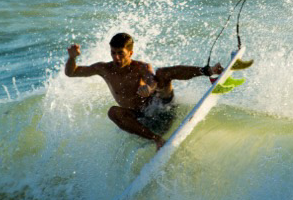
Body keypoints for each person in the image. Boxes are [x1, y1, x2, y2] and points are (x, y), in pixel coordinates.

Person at [65, 32, 224, 150]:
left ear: (130, 53)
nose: (116, 58)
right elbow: (71, 73)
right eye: (113, 53)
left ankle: (208, 71)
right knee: (113, 112)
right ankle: (156, 139)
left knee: (162, 73)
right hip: (143, 121)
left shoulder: (140, 67)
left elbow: (151, 79)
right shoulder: (104, 69)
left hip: (161, 110)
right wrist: (72, 58)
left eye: (121, 53)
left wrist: (148, 87)